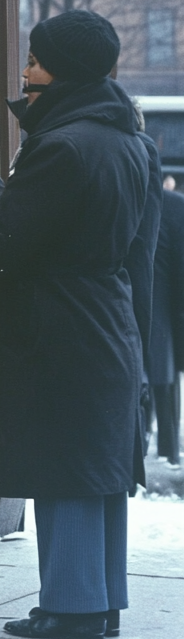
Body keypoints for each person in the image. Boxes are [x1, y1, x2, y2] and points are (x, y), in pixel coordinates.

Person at [0, 10, 161, 639]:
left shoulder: (61, 147)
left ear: (66, 71)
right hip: (107, 318)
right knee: (95, 465)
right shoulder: (132, 144)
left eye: (37, 62)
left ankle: (71, 607)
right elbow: (140, 252)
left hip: (58, 326)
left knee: (63, 464)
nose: (25, 73)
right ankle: (98, 601)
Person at [146, 175, 184, 464]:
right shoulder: (175, 204)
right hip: (167, 302)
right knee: (166, 377)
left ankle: (146, 439)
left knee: (146, 376)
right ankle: (169, 449)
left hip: (138, 297)